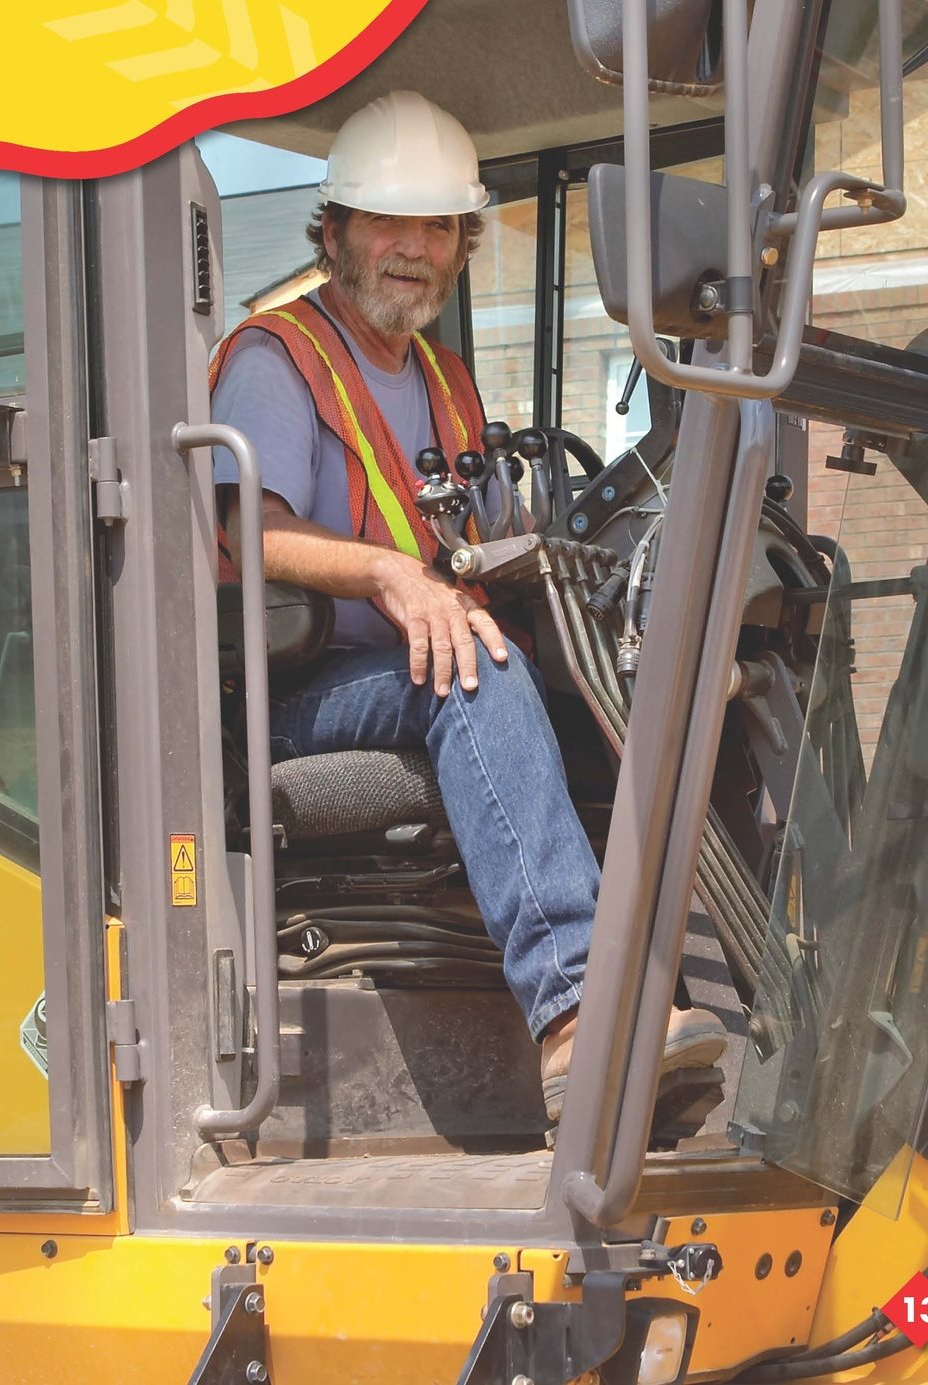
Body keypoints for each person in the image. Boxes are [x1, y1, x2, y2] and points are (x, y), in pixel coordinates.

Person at [211, 90, 726, 1119]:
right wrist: (395, 575)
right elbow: (243, 531)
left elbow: (497, 538)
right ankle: (576, 1012)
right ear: (336, 232)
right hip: (298, 691)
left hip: (404, 666)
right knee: (473, 666)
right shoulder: (279, 360)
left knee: (615, 681)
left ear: (461, 245)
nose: (411, 249)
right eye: (386, 224)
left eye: (436, 227)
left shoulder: (445, 383)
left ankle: (703, 985)